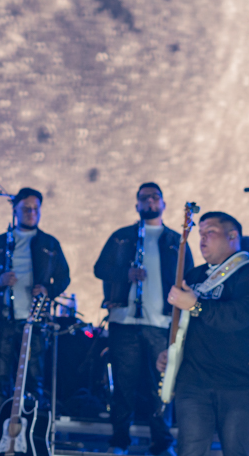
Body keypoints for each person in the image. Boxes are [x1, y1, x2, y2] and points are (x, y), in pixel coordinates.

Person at [158, 212, 249, 456]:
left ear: (232, 236)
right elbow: (181, 323)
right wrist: (170, 350)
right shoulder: (194, 276)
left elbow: (236, 317)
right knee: (190, 451)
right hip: (194, 382)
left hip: (239, 385)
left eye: (210, 232)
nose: (202, 239)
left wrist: (196, 305)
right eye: (200, 233)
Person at [93, 183, 191, 456]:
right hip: (124, 321)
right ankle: (119, 442)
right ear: (137, 204)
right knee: (123, 386)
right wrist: (125, 273)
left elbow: (190, 276)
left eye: (155, 197)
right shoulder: (121, 237)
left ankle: (162, 444)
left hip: (161, 323)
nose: (149, 201)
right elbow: (100, 268)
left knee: (160, 386)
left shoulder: (176, 240)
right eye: (144, 198)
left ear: (163, 204)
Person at [0, 187, 70, 426]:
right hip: (3, 319)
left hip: (34, 320)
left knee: (33, 380)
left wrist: (47, 290)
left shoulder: (49, 243)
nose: (31, 213)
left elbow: (64, 277)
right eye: (26, 208)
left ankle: (32, 433)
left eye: (36, 209)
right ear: (15, 210)